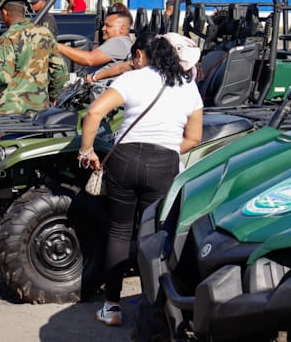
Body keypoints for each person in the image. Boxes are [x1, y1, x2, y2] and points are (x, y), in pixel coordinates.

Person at [78, 32, 203, 327]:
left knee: (119, 231)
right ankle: (152, 306)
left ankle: (112, 306)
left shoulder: (132, 78)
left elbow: (94, 112)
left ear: (147, 55)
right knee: (153, 234)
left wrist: (87, 151)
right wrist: (167, 148)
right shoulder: (188, 87)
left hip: (124, 159)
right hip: (163, 164)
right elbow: (194, 138)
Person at [0, 0, 67, 115]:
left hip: (8, 112)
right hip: (39, 110)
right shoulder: (44, 33)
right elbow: (60, 71)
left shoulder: (8, 37)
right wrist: (53, 95)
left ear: (4, 12)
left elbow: (1, 76)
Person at [58, 9, 134, 73]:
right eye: (104, 25)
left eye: (108, 26)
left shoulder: (118, 42)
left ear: (122, 29)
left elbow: (89, 59)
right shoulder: (124, 42)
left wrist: (57, 46)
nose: (103, 29)